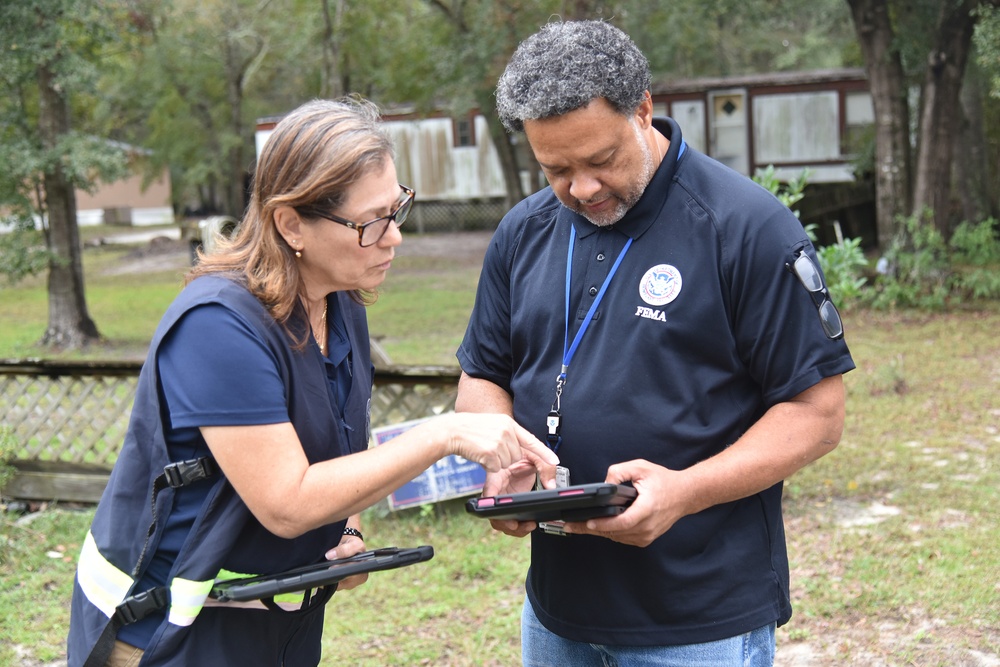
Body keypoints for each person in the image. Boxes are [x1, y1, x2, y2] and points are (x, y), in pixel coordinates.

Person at [67, 98, 558, 667]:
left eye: (396, 209)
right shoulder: (217, 326)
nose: (394, 236)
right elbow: (286, 502)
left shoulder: (340, 302)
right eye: (370, 222)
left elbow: (340, 442)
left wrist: (345, 528)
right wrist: (441, 434)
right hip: (163, 631)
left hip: (272, 621)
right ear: (291, 222)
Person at [455, 20, 855, 666]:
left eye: (601, 160)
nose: (581, 189)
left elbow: (818, 415)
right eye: (557, 169)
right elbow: (484, 375)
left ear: (644, 108)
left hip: (701, 619)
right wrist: (500, 456)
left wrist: (685, 491)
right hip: (556, 611)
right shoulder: (521, 232)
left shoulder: (746, 228)